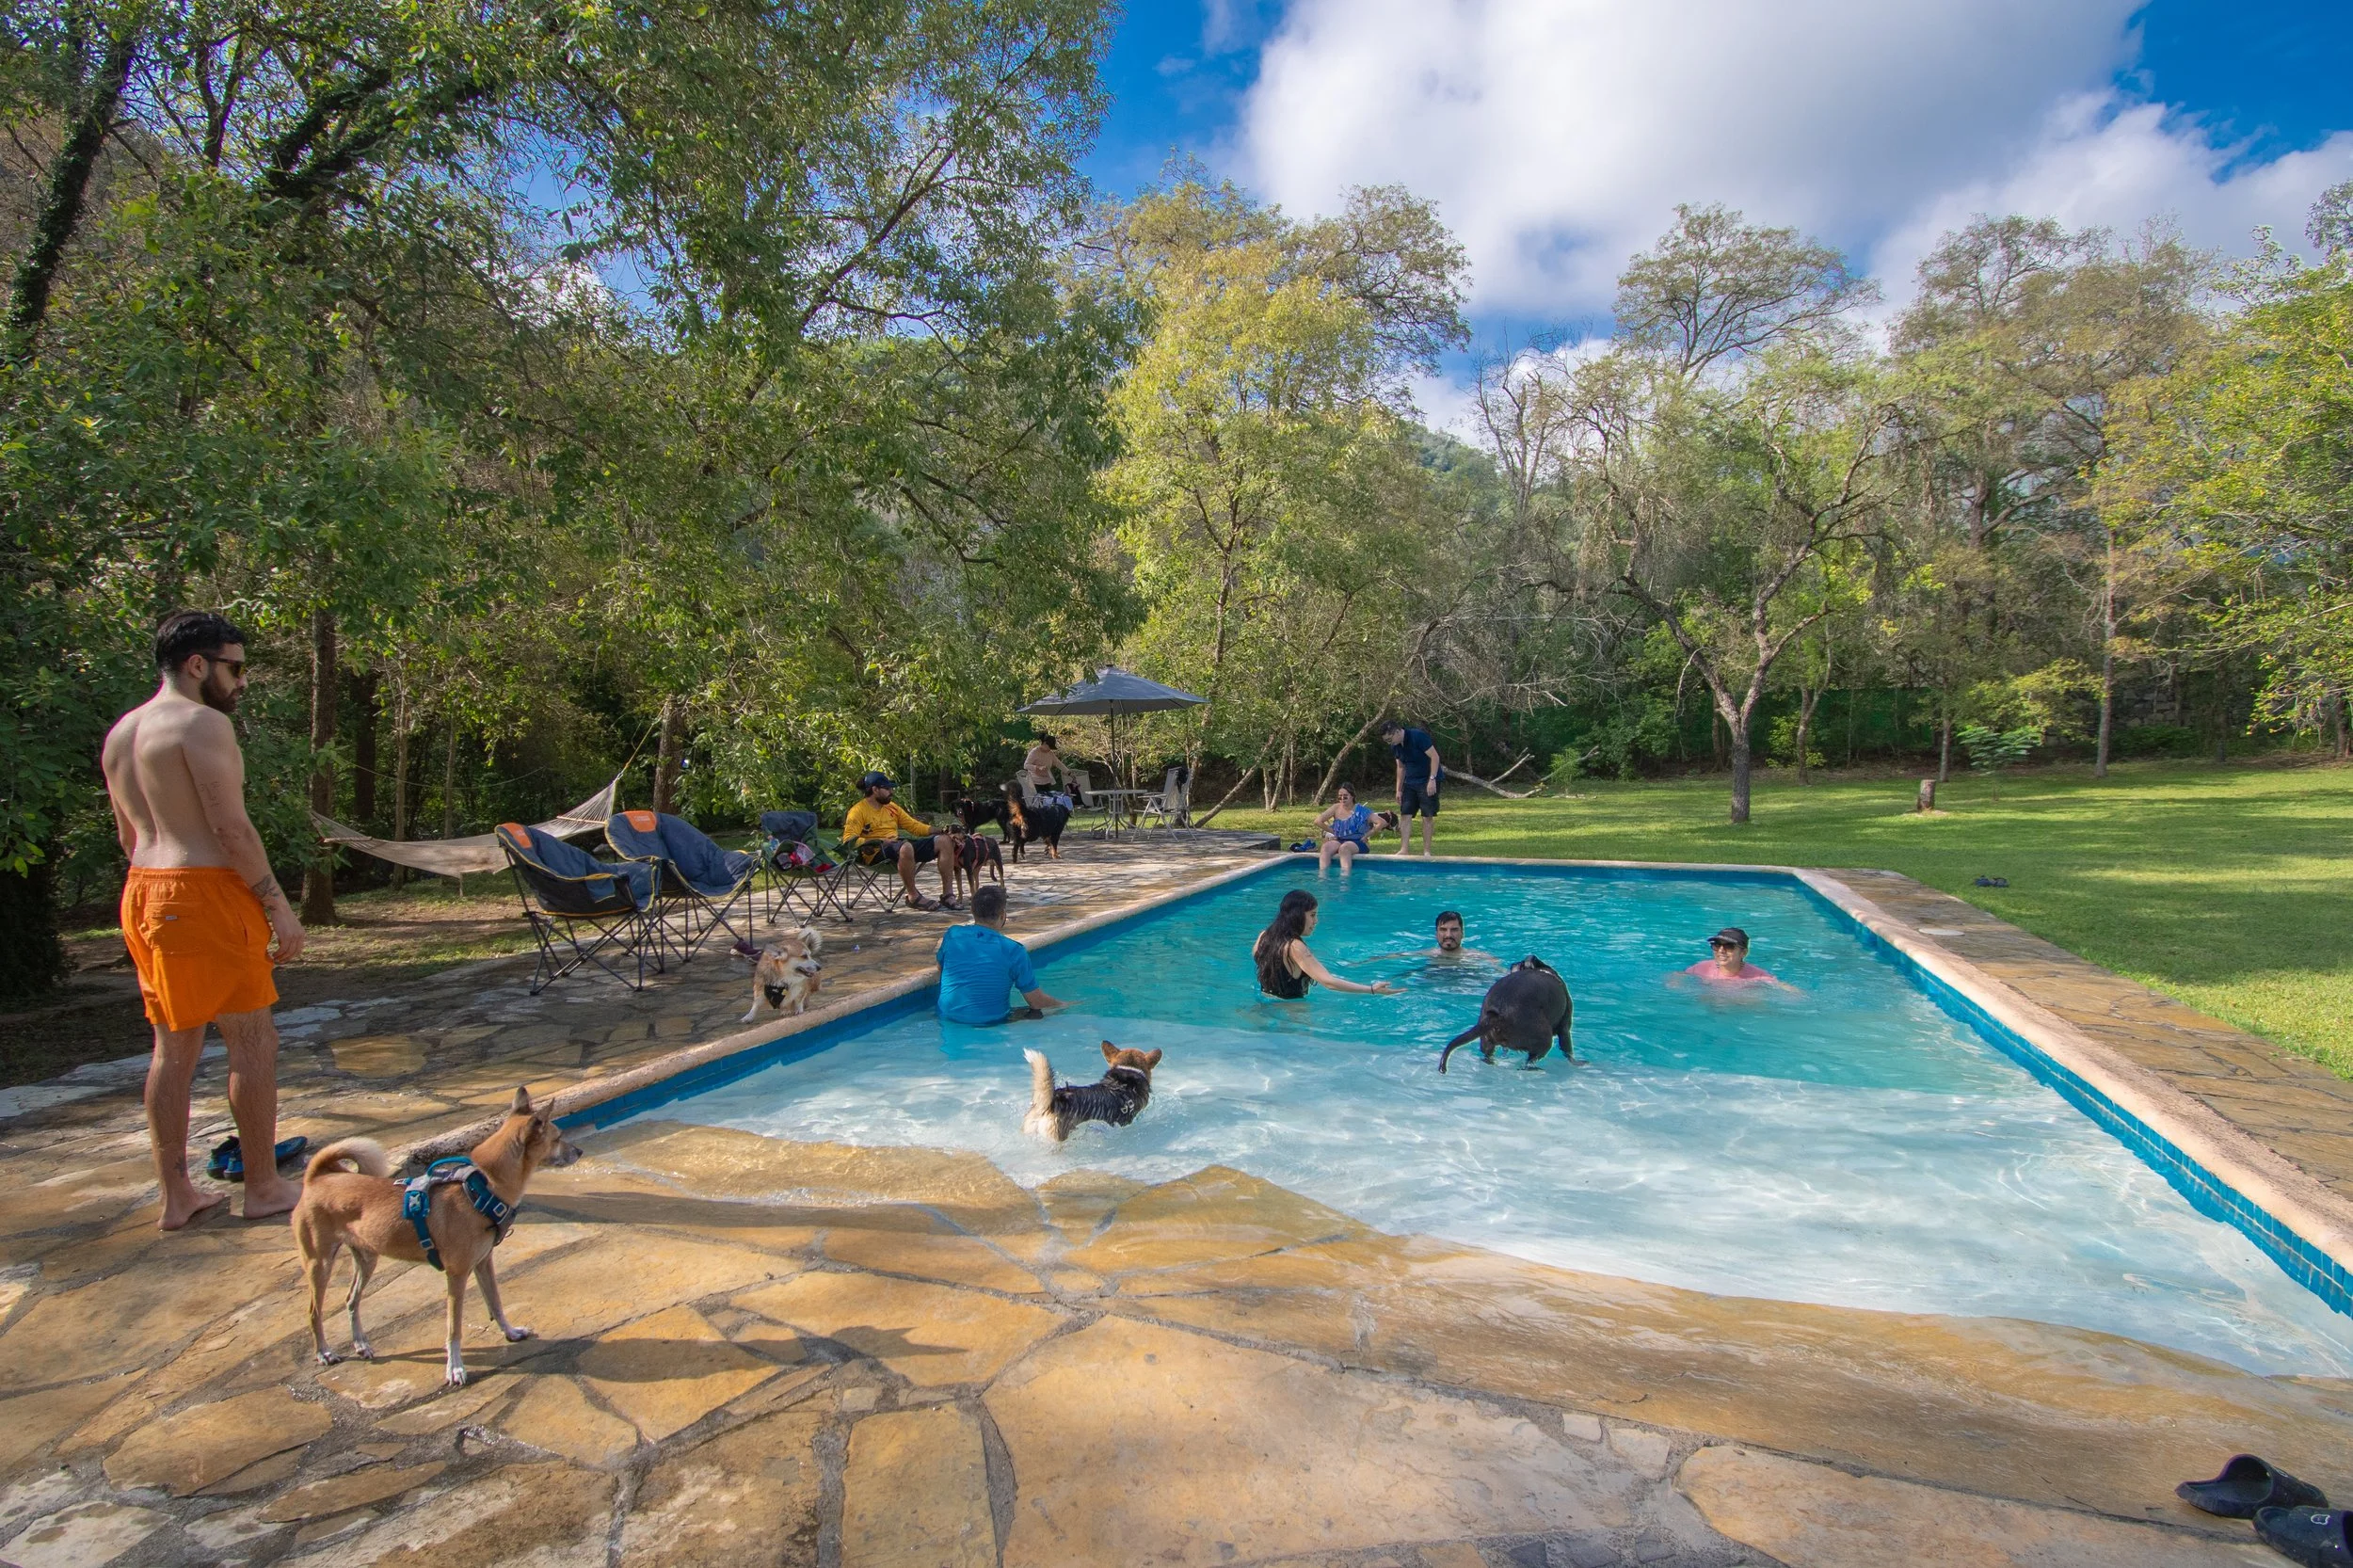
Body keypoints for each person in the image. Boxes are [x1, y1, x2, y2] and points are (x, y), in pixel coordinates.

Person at [101, 610, 306, 1230]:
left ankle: (177, 1195)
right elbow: (229, 828)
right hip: (205, 890)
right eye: (235, 667)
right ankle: (265, 1187)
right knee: (252, 1040)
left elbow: (126, 836)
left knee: (174, 1046)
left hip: (145, 891)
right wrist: (276, 903)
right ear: (198, 665)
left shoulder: (122, 734)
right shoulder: (203, 724)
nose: (241, 681)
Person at [936, 886, 1064, 1024]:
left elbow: (941, 967)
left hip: (948, 1017)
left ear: (972, 911)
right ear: (1003, 915)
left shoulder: (953, 935)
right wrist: (1066, 1005)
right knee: (1037, 1013)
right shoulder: (1014, 950)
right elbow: (1037, 1002)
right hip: (992, 1023)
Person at [843, 771, 959, 912]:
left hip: (898, 848)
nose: (891, 791)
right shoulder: (858, 811)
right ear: (875, 790)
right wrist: (879, 840)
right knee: (905, 847)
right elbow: (849, 840)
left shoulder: (892, 807)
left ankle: (947, 895)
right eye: (887, 788)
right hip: (875, 852)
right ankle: (913, 897)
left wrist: (940, 830)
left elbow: (914, 826)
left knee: (944, 841)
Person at [1252, 888, 1399, 1000]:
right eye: (1312, 915)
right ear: (1296, 915)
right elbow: (1329, 982)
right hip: (1292, 1012)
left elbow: (1260, 960)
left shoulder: (1264, 936)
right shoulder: (1295, 947)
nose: (1315, 921)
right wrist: (1371, 989)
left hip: (1264, 1003)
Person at [1383, 720, 1442, 856]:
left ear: (1397, 731)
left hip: (1428, 780)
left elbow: (1435, 757)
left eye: (1390, 739)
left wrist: (1432, 779)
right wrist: (1398, 789)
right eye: (1386, 741)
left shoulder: (1418, 736)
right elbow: (1401, 767)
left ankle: (1426, 851)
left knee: (1427, 816)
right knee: (1405, 814)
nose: (1389, 743)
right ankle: (1404, 849)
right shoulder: (1396, 746)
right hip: (1410, 782)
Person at [1682, 927, 1789, 988]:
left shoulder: (1757, 977)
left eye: (1729, 946)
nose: (1721, 950)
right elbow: (1679, 976)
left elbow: (1782, 986)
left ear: (1743, 953)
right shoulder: (1702, 969)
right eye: (1717, 945)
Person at [1312, 784, 1382, 871]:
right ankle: (1324, 877)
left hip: (1358, 842)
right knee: (1326, 847)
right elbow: (1318, 821)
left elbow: (1381, 822)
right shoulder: (1336, 808)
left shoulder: (1361, 811)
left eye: (1345, 797)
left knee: (1345, 848)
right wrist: (1334, 832)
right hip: (1340, 839)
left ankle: (1345, 879)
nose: (1342, 799)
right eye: (1340, 797)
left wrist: (1367, 835)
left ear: (1352, 796)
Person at [1022, 733, 1076, 808]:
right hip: (1035, 782)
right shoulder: (1034, 752)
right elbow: (1026, 765)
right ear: (1044, 743)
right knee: (1040, 801)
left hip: (1046, 780)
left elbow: (1058, 763)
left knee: (1047, 800)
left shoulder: (1050, 753)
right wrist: (1037, 767)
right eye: (1049, 747)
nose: (1050, 749)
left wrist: (1068, 772)